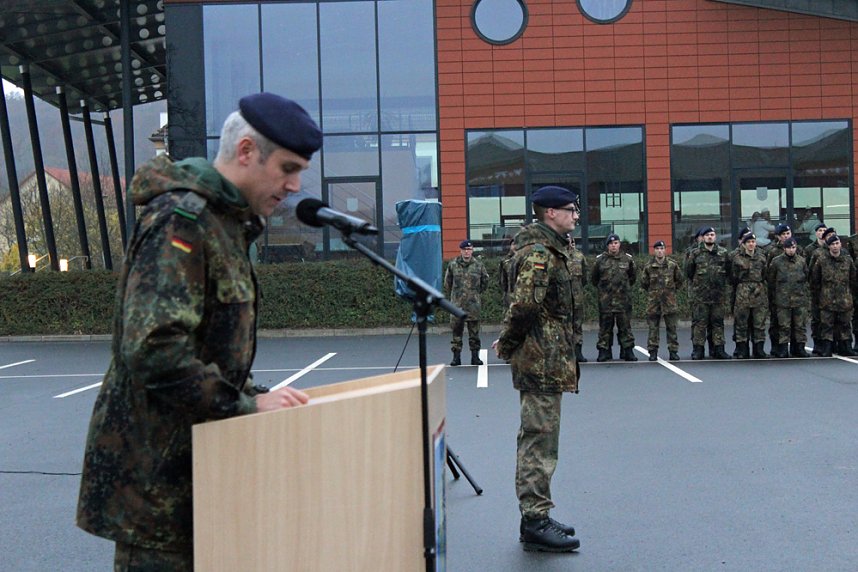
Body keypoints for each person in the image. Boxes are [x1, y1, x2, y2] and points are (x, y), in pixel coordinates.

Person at [76, 93, 321, 570]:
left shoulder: (225, 225)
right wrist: (245, 405)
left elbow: (208, 345)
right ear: (247, 151)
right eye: (288, 168)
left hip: (198, 479)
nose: (294, 185)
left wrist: (260, 394)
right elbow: (154, 348)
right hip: (157, 491)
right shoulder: (181, 221)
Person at [493, 185, 580, 553]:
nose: (575, 215)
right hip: (540, 360)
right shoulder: (539, 254)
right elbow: (524, 306)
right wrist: (508, 343)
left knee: (543, 440)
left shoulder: (550, 249)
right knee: (538, 442)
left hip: (548, 358)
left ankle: (538, 514)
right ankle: (534, 521)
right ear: (550, 213)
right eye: (570, 210)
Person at [685, 227, 732, 360]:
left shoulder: (723, 253)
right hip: (701, 296)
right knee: (700, 324)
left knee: (718, 323)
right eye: (707, 235)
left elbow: (729, 272)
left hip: (718, 296)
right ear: (703, 238)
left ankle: (719, 349)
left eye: (712, 235)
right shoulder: (695, 254)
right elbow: (689, 272)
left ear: (715, 237)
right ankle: (698, 350)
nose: (710, 237)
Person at [592, 233, 637, 362]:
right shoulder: (600, 260)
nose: (614, 245)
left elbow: (632, 277)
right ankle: (604, 351)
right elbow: (594, 279)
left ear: (619, 244)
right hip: (606, 301)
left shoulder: (627, 259)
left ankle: (627, 350)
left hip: (623, 301)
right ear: (607, 246)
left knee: (625, 327)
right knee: (605, 328)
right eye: (611, 243)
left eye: (616, 243)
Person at [810, 234, 858, 357]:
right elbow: (815, 279)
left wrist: (850, 295)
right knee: (827, 325)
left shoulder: (847, 260)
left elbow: (853, 279)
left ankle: (845, 346)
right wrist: (820, 295)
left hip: (844, 299)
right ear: (829, 246)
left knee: (845, 324)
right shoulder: (822, 260)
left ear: (840, 245)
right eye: (832, 244)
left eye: (837, 244)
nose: (835, 246)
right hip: (827, 299)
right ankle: (827, 347)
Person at [445, 239, 489, 366]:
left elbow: (485, 281)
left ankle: (475, 357)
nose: (467, 252)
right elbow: (448, 283)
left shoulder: (478, 265)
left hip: (473, 305)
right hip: (457, 306)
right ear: (461, 251)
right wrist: (455, 296)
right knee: (456, 333)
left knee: (474, 334)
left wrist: (475, 294)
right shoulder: (453, 264)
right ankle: (456, 358)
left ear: (472, 251)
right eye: (464, 250)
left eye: (469, 250)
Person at [640, 240, 683, 361]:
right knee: (653, 328)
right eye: (657, 249)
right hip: (654, 303)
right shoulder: (649, 266)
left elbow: (679, 280)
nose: (660, 251)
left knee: (672, 327)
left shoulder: (672, 265)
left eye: (662, 248)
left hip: (669, 302)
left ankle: (673, 351)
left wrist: (671, 292)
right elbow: (644, 283)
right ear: (654, 251)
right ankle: (653, 351)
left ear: (665, 250)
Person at [767, 237, 809, 358]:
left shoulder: (801, 261)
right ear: (784, 248)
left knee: (799, 325)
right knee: (784, 325)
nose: (791, 250)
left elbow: (806, 276)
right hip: (782, 300)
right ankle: (783, 348)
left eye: (793, 247)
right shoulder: (776, 262)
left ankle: (800, 348)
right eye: (789, 248)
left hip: (799, 299)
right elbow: (771, 280)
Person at [731, 233, 769, 359]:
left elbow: (765, 274)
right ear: (744, 244)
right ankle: (742, 350)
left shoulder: (762, 257)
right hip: (743, 292)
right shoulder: (737, 258)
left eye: (753, 241)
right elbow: (733, 275)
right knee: (742, 323)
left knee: (759, 323)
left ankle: (759, 350)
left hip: (758, 293)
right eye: (748, 242)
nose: (751, 244)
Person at [566, 235, 590, 363]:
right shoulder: (555, 256)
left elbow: (585, 278)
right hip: (561, 300)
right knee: (562, 326)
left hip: (577, 299)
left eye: (569, 239)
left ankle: (578, 351)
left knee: (577, 325)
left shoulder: (579, 257)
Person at [499, 239, 516, 309]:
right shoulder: (505, 261)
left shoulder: (526, 259)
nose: (515, 246)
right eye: (513, 244)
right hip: (509, 297)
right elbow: (502, 281)